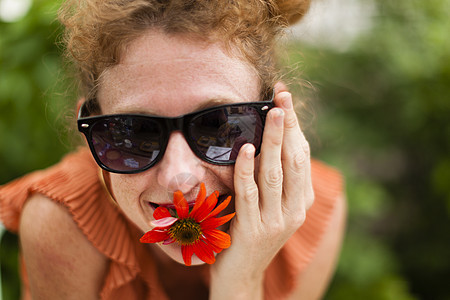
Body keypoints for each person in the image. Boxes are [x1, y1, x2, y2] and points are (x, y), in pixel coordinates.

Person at [0, 0, 346, 299]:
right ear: (91, 138)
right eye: (133, 134)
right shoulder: (60, 224)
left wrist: (242, 277)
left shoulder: (314, 219)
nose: (179, 179)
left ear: (278, 122)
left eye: (220, 126)